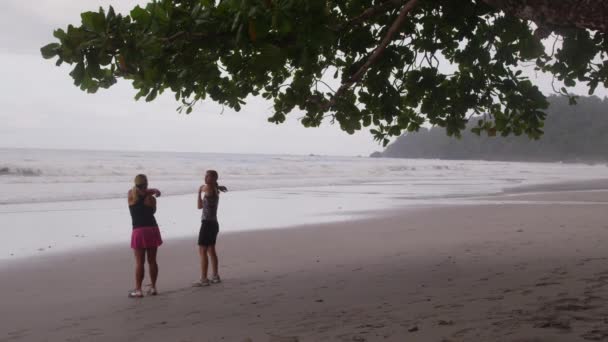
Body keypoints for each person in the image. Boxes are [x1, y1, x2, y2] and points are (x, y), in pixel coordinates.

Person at [127, 174, 163, 297]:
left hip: (139, 231)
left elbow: (139, 191)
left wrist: (153, 190)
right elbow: (153, 212)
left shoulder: (131, 195)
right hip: (152, 229)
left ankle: (138, 290)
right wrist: (154, 191)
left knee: (139, 263)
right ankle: (153, 287)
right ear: (146, 184)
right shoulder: (152, 199)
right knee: (152, 261)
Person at [193, 170, 227, 287]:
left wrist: (200, 189)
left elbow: (202, 187)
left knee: (203, 251)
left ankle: (204, 279)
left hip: (207, 224)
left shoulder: (208, 188)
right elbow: (199, 207)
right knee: (211, 250)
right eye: (205, 176)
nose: (205, 178)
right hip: (213, 223)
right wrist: (198, 194)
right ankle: (215, 276)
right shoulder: (214, 189)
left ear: (214, 179)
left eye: (208, 176)